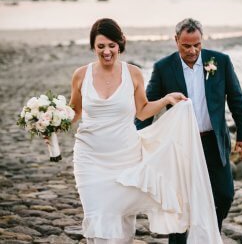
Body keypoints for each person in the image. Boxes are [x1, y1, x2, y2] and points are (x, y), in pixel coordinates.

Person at [69, 18, 223, 244]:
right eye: (100, 46)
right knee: (97, 214)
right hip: (89, 158)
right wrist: (51, 122)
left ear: (120, 45)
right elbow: (74, 110)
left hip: (125, 156)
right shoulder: (81, 75)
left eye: (111, 45)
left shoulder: (133, 74)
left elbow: (142, 111)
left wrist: (165, 100)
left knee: (121, 220)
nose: (107, 51)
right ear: (93, 47)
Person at [135, 18, 242, 244]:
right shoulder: (163, 68)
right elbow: (149, 105)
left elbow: (237, 99)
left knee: (224, 195)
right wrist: (138, 137)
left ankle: (208, 235)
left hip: (213, 141)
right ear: (176, 40)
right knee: (180, 201)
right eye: (186, 45)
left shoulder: (220, 61)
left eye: (197, 44)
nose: (192, 50)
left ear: (202, 40)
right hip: (181, 145)